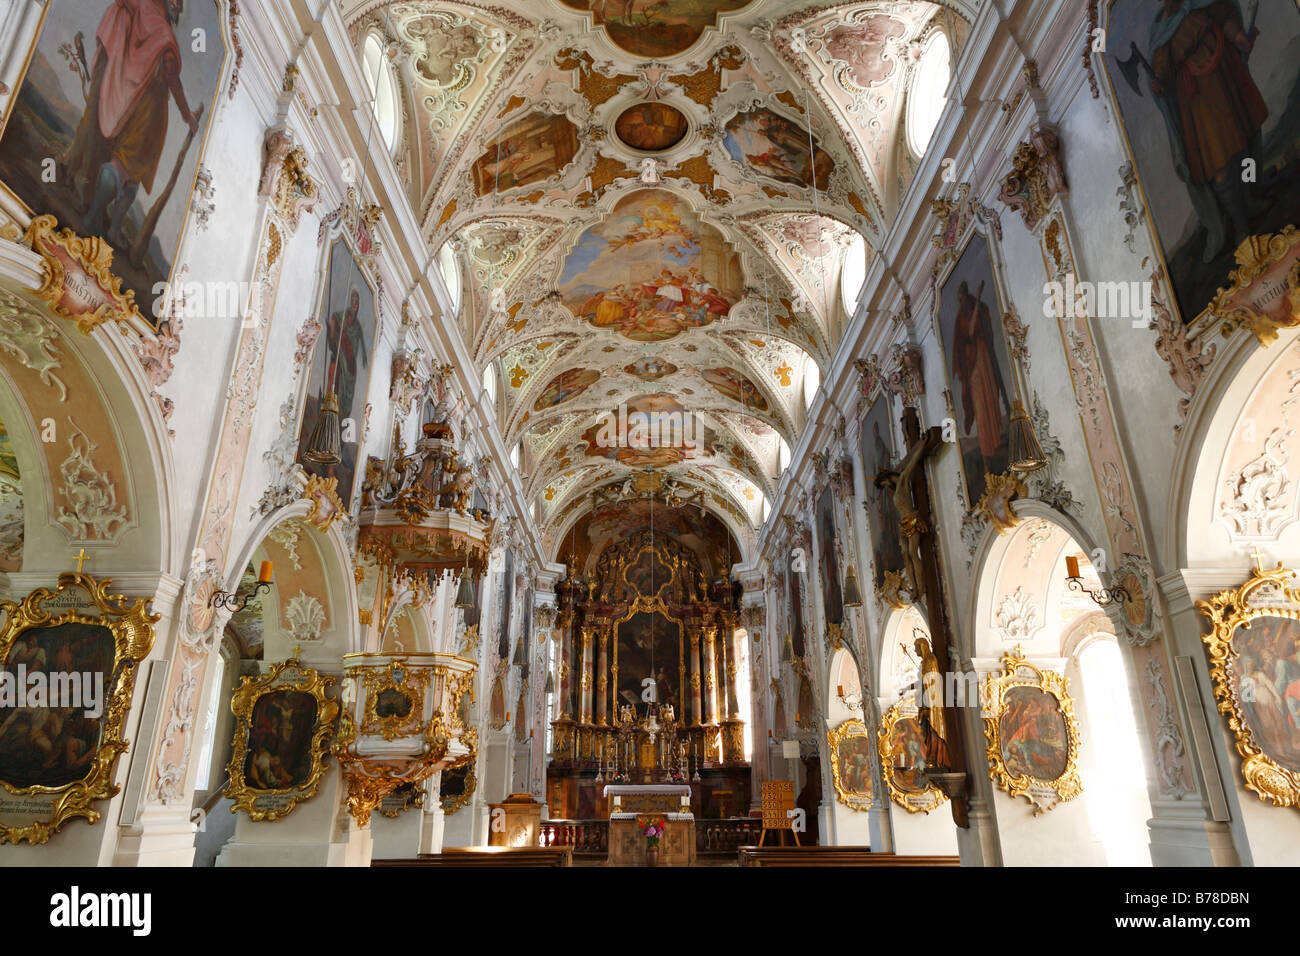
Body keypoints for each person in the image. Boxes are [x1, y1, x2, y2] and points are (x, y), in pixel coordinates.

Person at [64, 0, 202, 243]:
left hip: (131, 102)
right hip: (150, 114)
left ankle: (112, 228)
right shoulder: (164, 33)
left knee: (132, 171)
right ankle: (91, 219)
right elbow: (172, 78)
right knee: (127, 165)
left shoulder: (141, 9)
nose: (178, 8)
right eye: (177, 2)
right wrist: (187, 115)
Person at [1146, 0, 1268, 262]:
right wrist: (1157, 83)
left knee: (1243, 143)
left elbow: (1224, 16)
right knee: (1218, 165)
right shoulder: (1161, 33)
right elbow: (1161, 71)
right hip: (1197, 102)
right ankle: (1239, 224)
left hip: (1225, 77)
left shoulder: (1198, 3)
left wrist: (1237, 36)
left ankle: (1250, 200)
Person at [951, 279, 1010, 476]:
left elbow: (984, 329)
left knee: (991, 396)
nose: (961, 302)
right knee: (980, 404)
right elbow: (966, 334)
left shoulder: (979, 307)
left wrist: (977, 301)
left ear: (965, 295)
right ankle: (987, 450)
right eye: (958, 299)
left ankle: (998, 441)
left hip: (983, 356)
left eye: (962, 298)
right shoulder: (962, 317)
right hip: (972, 364)